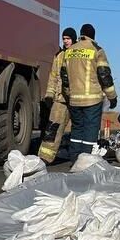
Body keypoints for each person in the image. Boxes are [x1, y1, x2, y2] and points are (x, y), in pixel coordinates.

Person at [64, 23, 117, 156]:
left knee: (76, 130)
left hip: (74, 100)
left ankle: (74, 159)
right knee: (90, 130)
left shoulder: (69, 51)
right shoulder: (97, 50)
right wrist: (112, 97)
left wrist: (68, 94)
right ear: (93, 35)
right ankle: (86, 160)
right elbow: (104, 75)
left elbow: (64, 76)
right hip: (92, 100)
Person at [38, 27, 77, 163]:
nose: (66, 41)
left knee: (78, 129)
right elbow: (53, 76)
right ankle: (45, 158)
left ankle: (78, 157)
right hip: (60, 99)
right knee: (52, 128)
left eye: (68, 39)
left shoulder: (78, 55)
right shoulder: (59, 56)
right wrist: (50, 94)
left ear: (74, 39)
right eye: (64, 39)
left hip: (76, 99)